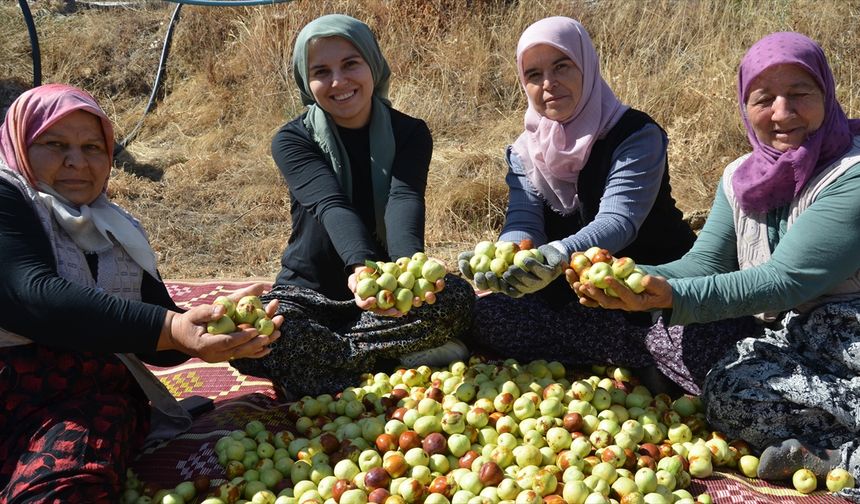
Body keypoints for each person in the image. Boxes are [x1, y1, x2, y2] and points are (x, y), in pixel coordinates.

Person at [571, 32, 860, 497]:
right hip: (799, 344)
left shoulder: (852, 174)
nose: (782, 114)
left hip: (850, 338)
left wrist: (675, 296)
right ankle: (833, 455)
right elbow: (704, 262)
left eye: (801, 95)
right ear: (745, 107)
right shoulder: (739, 178)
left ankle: (838, 458)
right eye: (764, 99)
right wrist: (634, 279)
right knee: (727, 392)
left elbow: (783, 280)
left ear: (827, 96)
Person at [0, 84, 283, 502]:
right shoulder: (8, 197)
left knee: (73, 481)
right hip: (12, 386)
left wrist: (215, 324)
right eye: (55, 144)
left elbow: (158, 345)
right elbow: (31, 294)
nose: (76, 161)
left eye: (93, 148)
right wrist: (171, 327)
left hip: (85, 399)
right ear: (21, 144)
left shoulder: (114, 227)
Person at [230, 14, 473, 398]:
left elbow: (403, 198)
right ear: (306, 82)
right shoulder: (292, 139)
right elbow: (331, 204)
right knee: (260, 333)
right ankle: (390, 355)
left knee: (457, 298)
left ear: (373, 65)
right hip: (312, 293)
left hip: (385, 294)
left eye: (350, 64)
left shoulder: (410, 133)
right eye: (321, 71)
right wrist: (360, 268)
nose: (338, 82)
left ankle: (332, 364)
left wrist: (408, 273)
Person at [458, 17, 695, 378]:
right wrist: (503, 261)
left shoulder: (635, 135)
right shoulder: (525, 150)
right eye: (534, 75)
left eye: (562, 66)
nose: (548, 84)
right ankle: (639, 361)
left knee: (698, 336)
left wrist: (555, 255)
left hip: (649, 284)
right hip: (576, 293)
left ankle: (634, 356)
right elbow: (523, 222)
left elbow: (619, 222)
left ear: (586, 65)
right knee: (486, 315)